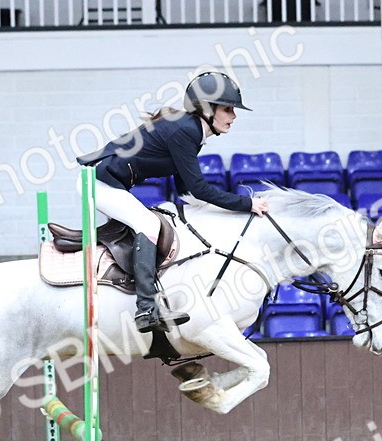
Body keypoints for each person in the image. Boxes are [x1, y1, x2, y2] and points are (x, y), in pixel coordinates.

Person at [76, 72, 270, 334]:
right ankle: (146, 308)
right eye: (228, 109)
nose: (234, 116)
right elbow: (198, 189)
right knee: (148, 224)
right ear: (206, 109)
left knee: (160, 220)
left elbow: (184, 190)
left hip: (110, 184)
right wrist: (247, 204)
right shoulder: (185, 131)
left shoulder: (191, 131)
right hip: (99, 185)